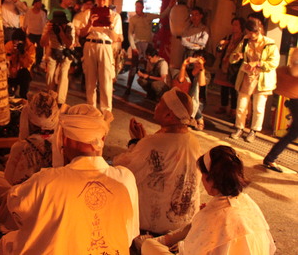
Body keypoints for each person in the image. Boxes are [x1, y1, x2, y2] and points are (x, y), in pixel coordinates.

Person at [0, 104, 139, 254]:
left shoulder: (46, 181)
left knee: (8, 242)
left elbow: (15, 207)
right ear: (102, 138)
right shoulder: (126, 178)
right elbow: (128, 236)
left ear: (64, 139)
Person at [141, 145, 276, 255]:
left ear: (209, 178)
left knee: (149, 246)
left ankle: (152, 241)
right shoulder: (248, 202)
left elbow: (190, 251)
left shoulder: (212, 216)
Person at [114, 87, 201, 235]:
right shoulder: (194, 142)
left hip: (153, 229)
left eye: (160, 103)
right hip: (183, 225)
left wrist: (136, 143)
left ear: (168, 114)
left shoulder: (152, 144)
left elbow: (123, 170)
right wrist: (140, 142)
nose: (156, 106)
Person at [0, 90, 61, 232]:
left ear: (27, 118)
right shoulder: (60, 145)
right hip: (51, 198)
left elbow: (10, 179)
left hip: (25, 199)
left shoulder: (21, 146)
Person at [230, 19, 279, 142]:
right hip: (246, 77)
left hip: (262, 79)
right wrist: (236, 56)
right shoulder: (245, 40)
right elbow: (233, 56)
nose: (252, 35)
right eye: (249, 32)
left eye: (254, 33)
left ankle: (254, 130)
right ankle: (239, 128)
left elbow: (274, 63)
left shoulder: (269, 44)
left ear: (260, 30)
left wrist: (257, 63)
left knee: (258, 108)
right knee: (241, 106)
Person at [79, 0, 123, 112]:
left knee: (106, 81)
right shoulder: (88, 13)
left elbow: (117, 38)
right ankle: (91, 110)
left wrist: (109, 25)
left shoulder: (115, 16)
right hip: (90, 44)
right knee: (90, 81)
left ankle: (106, 111)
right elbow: (81, 34)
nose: (101, 2)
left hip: (106, 46)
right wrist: (89, 24)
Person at [263, 47, 298, 172]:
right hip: (296, 98)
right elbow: (294, 71)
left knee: (294, 132)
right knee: (294, 132)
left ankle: (270, 158)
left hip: (295, 98)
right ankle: (270, 158)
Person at [214, 17, 246, 118]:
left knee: (233, 88)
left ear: (241, 26)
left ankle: (233, 109)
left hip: (235, 67)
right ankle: (223, 106)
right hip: (225, 64)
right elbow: (219, 49)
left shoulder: (244, 39)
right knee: (223, 87)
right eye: (233, 24)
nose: (234, 27)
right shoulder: (228, 37)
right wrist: (221, 45)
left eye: (236, 25)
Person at [40, 10, 74, 105]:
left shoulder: (70, 27)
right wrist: (47, 32)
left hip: (66, 52)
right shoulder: (48, 26)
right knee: (50, 74)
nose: (58, 25)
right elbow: (42, 43)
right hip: (52, 50)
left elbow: (69, 44)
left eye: (61, 23)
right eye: (56, 23)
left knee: (63, 74)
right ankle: (50, 97)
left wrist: (61, 33)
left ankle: (60, 102)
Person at [175, 52, 208, 131]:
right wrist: (183, 65)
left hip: (199, 102)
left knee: (195, 88)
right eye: (195, 59)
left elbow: (202, 83)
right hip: (186, 98)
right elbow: (180, 80)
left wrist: (201, 68)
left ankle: (200, 119)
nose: (197, 61)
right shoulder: (188, 70)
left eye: (199, 59)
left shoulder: (206, 73)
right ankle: (193, 119)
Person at [5, 29, 35, 99]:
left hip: (22, 73)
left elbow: (28, 64)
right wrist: (13, 55)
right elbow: (5, 58)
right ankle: (10, 90)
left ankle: (23, 97)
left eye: (19, 41)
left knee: (25, 73)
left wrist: (23, 53)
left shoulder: (30, 47)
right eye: (15, 41)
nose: (16, 43)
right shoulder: (9, 45)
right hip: (10, 73)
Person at [23, 0, 47, 69]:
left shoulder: (42, 13)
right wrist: (24, 31)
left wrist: (44, 34)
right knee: (30, 49)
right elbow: (25, 22)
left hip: (40, 34)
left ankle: (37, 64)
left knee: (40, 50)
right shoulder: (29, 12)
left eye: (41, 3)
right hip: (31, 33)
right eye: (39, 3)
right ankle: (29, 63)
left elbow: (44, 24)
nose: (40, 5)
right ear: (35, 3)